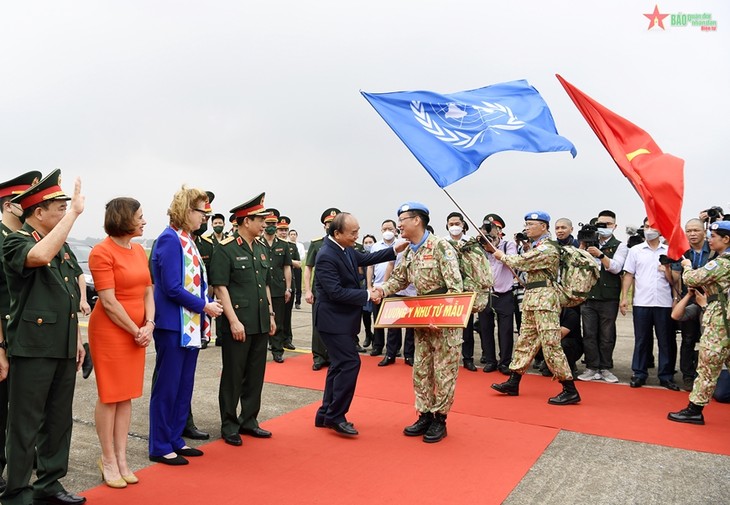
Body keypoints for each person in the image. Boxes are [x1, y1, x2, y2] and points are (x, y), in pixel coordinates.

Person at [1, 170, 88, 505]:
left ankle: (49, 483)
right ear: (39, 212)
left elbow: (68, 294)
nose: (65, 211)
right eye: (60, 207)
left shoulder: (60, 246)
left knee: (58, 420)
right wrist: (76, 215)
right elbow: (37, 257)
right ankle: (18, 491)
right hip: (33, 348)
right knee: (24, 424)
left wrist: (78, 342)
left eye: (67, 206)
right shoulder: (16, 241)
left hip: (63, 345)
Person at [372, 202, 463, 443]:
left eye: (402, 219)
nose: (398, 224)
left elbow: (456, 288)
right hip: (421, 318)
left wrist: (443, 318)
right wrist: (380, 290)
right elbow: (399, 280)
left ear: (417, 220)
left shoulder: (442, 246)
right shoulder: (410, 251)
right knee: (421, 370)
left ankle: (439, 419)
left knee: (444, 372)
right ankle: (423, 414)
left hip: (444, 320)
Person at [149, 186, 223, 465]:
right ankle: (159, 444)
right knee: (167, 386)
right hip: (172, 324)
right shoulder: (169, 240)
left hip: (189, 324)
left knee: (183, 385)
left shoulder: (187, 239)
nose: (204, 218)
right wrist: (204, 306)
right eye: (201, 212)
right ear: (185, 211)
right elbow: (170, 287)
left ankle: (175, 438)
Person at [313, 213, 400, 436]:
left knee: (338, 366)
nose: (357, 236)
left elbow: (365, 259)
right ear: (337, 233)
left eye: (358, 231)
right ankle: (336, 415)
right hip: (332, 321)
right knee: (350, 364)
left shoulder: (345, 249)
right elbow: (335, 292)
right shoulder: (326, 255)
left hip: (342, 320)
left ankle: (325, 413)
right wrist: (367, 295)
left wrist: (395, 250)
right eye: (353, 233)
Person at [88, 197, 153, 487]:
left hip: (138, 331)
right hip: (111, 331)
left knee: (126, 395)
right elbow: (108, 301)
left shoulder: (139, 250)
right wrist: (134, 329)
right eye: (139, 216)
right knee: (110, 395)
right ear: (124, 218)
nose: (144, 221)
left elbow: (148, 290)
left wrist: (149, 324)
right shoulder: (101, 252)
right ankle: (108, 459)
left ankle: (123, 458)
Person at [489, 211, 581, 406]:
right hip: (532, 298)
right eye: (526, 224)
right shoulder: (536, 246)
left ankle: (569, 389)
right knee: (525, 341)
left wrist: (501, 256)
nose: (527, 227)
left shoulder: (548, 248)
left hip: (545, 300)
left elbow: (522, 262)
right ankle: (513, 381)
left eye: (532, 224)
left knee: (550, 344)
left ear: (544, 227)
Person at [209, 193, 277, 447]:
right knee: (233, 376)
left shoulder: (260, 248)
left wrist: (270, 314)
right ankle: (229, 424)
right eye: (259, 219)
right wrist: (234, 320)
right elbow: (220, 287)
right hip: (237, 322)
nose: (264, 223)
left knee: (255, 374)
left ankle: (249, 420)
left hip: (259, 321)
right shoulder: (225, 249)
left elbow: (266, 285)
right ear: (245, 221)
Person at [0, 171, 42, 495]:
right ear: (12, 204)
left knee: (25, 410)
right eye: (25, 198)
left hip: (25, 338)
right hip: (4, 337)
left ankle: (22, 468)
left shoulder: (30, 241)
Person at [668, 221, 730, 424]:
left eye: (714, 236)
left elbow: (693, 279)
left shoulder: (723, 262)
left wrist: (686, 266)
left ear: (726, 239)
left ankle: (694, 409)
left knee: (707, 365)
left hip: (720, 321)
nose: (710, 240)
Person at [620, 219, 679, 390]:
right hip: (642, 302)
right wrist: (624, 298)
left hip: (664, 302)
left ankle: (666, 375)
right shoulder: (636, 251)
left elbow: (676, 280)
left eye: (653, 227)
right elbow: (629, 274)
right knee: (641, 339)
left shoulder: (670, 251)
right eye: (646, 227)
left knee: (666, 340)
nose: (649, 230)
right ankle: (639, 373)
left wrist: (675, 299)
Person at [578, 210, 628, 384]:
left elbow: (616, 267)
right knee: (589, 333)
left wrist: (600, 254)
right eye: (600, 224)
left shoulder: (619, 246)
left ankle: (605, 367)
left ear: (614, 226)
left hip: (609, 297)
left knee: (607, 335)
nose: (603, 227)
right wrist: (583, 249)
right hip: (589, 296)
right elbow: (577, 265)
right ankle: (592, 367)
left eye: (607, 224)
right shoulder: (588, 242)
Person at [670, 218, 714, 390]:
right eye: (689, 231)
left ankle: (707, 376)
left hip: (710, 302)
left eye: (696, 230)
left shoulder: (713, 250)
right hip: (688, 300)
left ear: (704, 231)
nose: (693, 234)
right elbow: (675, 279)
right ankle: (687, 376)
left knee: (708, 340)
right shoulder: (682, 252)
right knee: (688, 339)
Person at [479, 213, 517, 375]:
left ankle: (505, 362)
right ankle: (490, 360)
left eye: (494, 230)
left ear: (500, 231)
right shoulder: (478, 246)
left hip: (504, 294)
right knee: (485, 328)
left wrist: (493, 248)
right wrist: (482, 244)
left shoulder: (508, 245)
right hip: (485, 294)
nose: (491, 234)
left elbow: (512, 262)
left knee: (506, 330)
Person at [304, 208, 340, 370]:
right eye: (327, 223)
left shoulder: (345, 243)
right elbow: (308, 268)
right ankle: (318, 356)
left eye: (333, 223)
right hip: (319, 292)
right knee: (318, 325)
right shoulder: (317, 244)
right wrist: (307, 290)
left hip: (338, 292)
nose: (330, 225)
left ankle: (333, 356)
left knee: (336, 325)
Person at [445, 212, 479, 372]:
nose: (454, 227)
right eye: (451, 224)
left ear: (463, 225)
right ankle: (448, 358)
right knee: (448, 328)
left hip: (467, 291)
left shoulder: (471, 243)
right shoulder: (443, 243)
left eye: (457, 224)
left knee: (467, 327)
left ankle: (468, 358)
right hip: (448, 291)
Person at [259, 209, 292, 363]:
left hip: (278, 287)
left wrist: (288, 288)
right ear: (263, 224)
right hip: (261, 288)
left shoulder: (283, 245)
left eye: (273, 224)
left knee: (278, 321)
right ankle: (262, 348)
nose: (271, 226)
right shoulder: (258, 243)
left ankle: (277, 350)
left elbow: (287, 267)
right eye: (268, 223)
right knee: (261, 319)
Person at [367, 219, 399, 357]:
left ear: (395, 230)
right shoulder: (376, 246)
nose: (387, 232)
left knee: (393, 320)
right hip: (377, 287)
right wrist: (369, 285)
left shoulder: (400, 245)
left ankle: (394, 348)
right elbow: (370, 266)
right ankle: (377, 346)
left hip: (394, 288)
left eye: (390, 229)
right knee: (378, 318)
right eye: (384, 229)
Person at [278, 217, 299, 350]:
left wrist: (289, 262)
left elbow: (298, 264)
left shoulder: (291, 246)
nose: (284, 232)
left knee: (287, 314)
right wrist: (289, 261)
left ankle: (287, 339)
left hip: (289, 283)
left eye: (286, 230)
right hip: (276, 283)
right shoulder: (271, 245)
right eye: (281, 230)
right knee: (276, 314)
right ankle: (275, 340)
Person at [360, 234, 377, 349]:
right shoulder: (362, 256)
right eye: (365, 243)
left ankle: (377, 338)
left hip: (378, 287)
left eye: (370, 242)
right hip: (366, 288)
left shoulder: (378, 254)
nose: (368, 244)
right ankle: (368, 334)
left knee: (377, 315)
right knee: (365, 313)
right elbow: (361, 273)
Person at [288, 229, 306, 309]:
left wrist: (296, 262)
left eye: (294, 234)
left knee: (298, 285)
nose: (293, 236)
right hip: (289, 267)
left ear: (296, 236)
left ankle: (298, 302)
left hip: (297, 267)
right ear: (289, 236)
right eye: (291, 234)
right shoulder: (287, 244)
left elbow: (302, 256)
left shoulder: (300, 245)